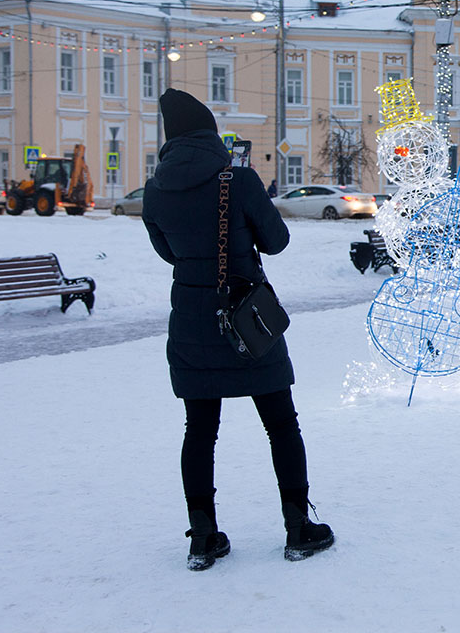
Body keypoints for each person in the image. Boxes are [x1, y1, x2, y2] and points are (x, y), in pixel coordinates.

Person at [142, 88, 333, 571]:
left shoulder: (155, 190)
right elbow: (278, 240)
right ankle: (297, 528)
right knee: (281, 424)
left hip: (190, 322)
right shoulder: (238, 180)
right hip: (249, 321)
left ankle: (203, 538)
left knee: (199, 431)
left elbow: (169, 252)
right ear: (209, 134)